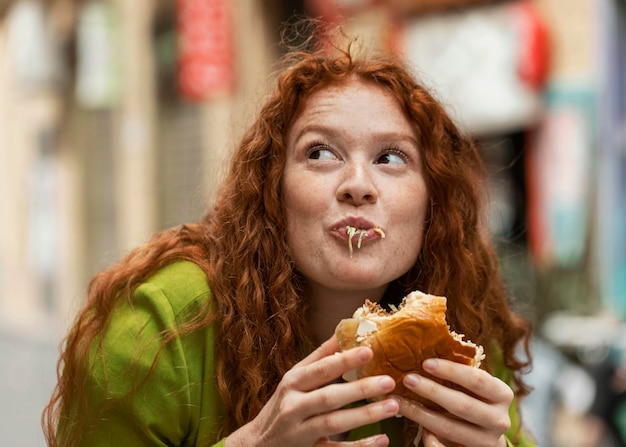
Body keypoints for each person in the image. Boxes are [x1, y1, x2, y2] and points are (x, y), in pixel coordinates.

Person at [42, 29, 536, 447]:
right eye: (320, 153)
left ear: (434, 204)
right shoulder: (158, 331)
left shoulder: (464, 325)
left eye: (391, 158)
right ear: (271, 191)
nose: (358, 185)